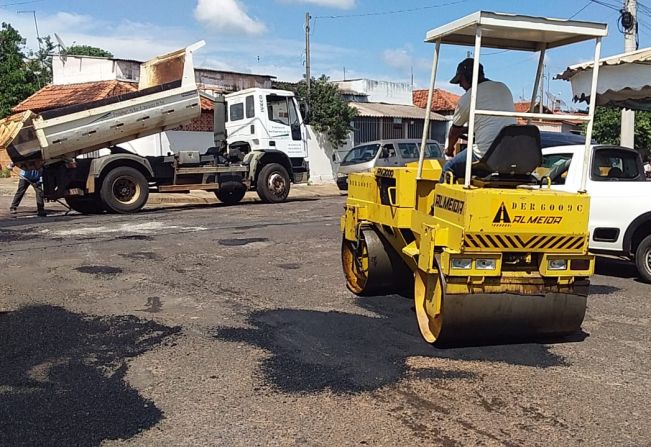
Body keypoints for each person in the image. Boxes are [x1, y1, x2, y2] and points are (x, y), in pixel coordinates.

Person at [441, 58, 516, 182]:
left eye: (461, 81)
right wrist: (466, 130)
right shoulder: (503, 88)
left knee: (449, 168)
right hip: (510, 153)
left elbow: (454, 131)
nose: (460, 85)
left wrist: (449, 150)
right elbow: (491, 124)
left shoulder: (469, 97)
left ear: (468, 77)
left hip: (485, 154)